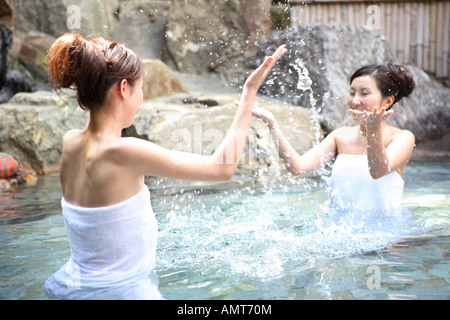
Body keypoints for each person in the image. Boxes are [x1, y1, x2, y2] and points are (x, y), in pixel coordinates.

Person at [43, 33, 287, 300]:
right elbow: (221, 168)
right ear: (123, 88)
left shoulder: (71, 143)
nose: (141, 98)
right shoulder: (125, 151)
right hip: (121, 293)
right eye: (141, 88)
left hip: (69, 288)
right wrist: (249, 93)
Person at [250, 64, 415, 214]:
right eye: (352, 93)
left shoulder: (402, 138)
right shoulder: (340, 135)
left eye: (364, 93)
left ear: (387, 101)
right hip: (339, 231)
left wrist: (373, 129)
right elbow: (298, 168)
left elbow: (378, 171)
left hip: (384, 234)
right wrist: (272, 124)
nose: (355, 101)